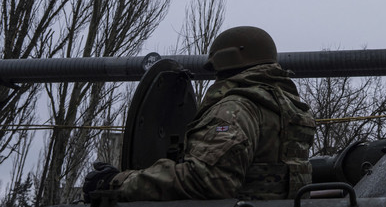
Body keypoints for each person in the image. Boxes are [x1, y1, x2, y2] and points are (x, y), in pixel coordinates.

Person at [83, 26, 316, 201]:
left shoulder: (236, 109)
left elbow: (207, 180)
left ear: (226, 61)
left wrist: (118, 182)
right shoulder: (287, 107)